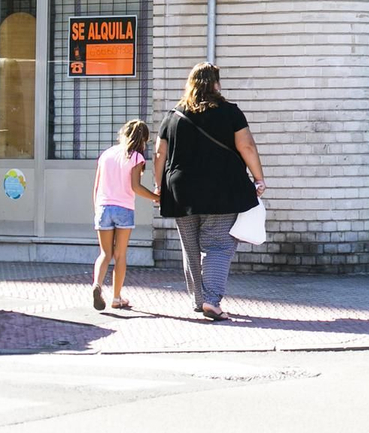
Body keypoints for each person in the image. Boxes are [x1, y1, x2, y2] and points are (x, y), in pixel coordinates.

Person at [155, 63, 267, 322]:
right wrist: (258, 178)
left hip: (180, 189)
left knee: (191, 247)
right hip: (221, 189)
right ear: (215, 84)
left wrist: (159, 186)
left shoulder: (173, 115)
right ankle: (212, 302)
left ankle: (199, 301)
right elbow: (246, 146)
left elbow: (160, 153)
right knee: (218, 245)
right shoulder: (229, 112)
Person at [90, 119, 159, 311]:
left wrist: (97, 209)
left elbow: (96, 186)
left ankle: (97, 285)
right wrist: (155, 197)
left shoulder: (106, 154)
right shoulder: (135, 157)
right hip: (124, 209)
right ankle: (117, 297)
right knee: (120, 255)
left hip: (103, 207)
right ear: (143, 139)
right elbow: (135, 187)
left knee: (105, 253)